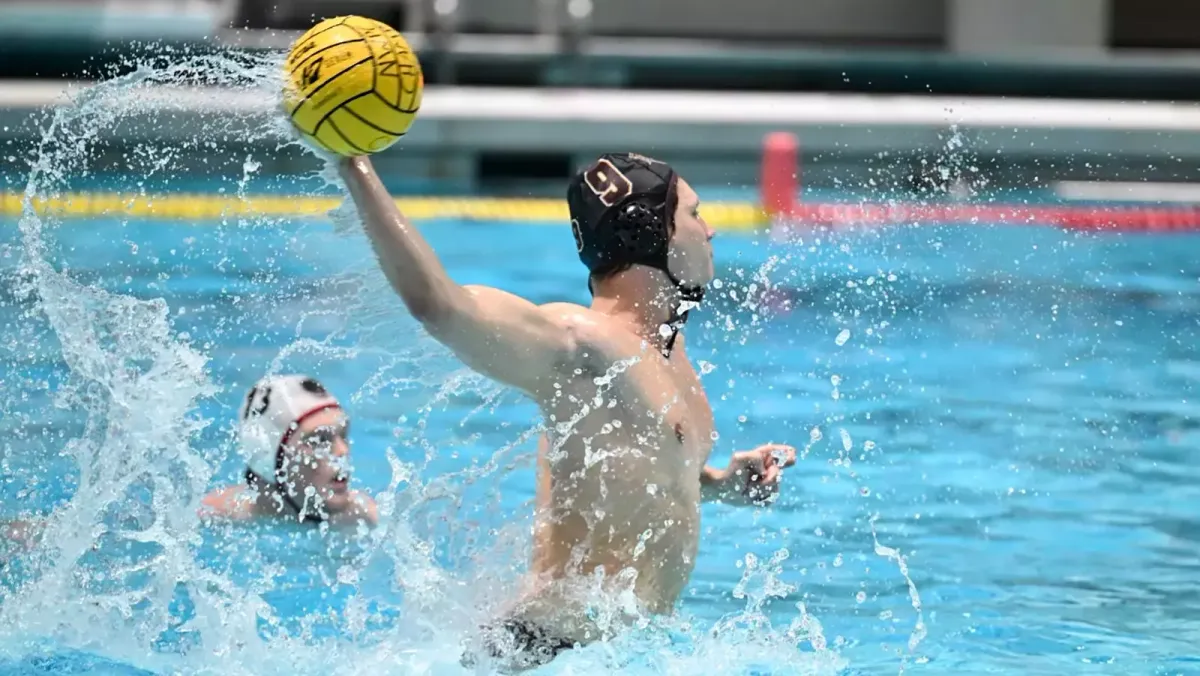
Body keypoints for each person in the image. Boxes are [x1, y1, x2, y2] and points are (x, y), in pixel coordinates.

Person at [338, 152, 796, 669]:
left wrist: (714, 483)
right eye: (693, 214)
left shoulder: (668, 349)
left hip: (616, 654)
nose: (710, 231)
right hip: (544, 655)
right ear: (649, 231)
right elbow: (439, 305)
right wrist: (355, 164)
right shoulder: (582, 346)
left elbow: (626, 476)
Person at [200, 374, 378, 527]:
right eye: (319, 440)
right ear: (268, 457)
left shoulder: (365, 519)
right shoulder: (213, 517)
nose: (342, 451)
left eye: (344, 435)